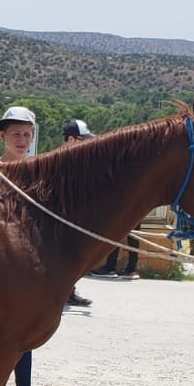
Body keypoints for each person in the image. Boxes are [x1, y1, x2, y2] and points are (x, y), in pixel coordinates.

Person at [0, 107, 56, 386]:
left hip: (28, 267)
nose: (21, 139)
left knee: (25, 334)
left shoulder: (40, 174)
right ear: (2, 136)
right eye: (15, 134)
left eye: (26, 134)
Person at [69, 120, 139, 280]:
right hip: (129, 203)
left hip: (123, 204)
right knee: (126, 235)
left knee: (118, 233)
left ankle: (114, 267)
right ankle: (126, 267)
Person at [57, 120, 99, 301]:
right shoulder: (56, 162)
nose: (88, 144)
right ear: (72, 140)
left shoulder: (79, 164)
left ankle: (69, 291)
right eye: (84, 139)